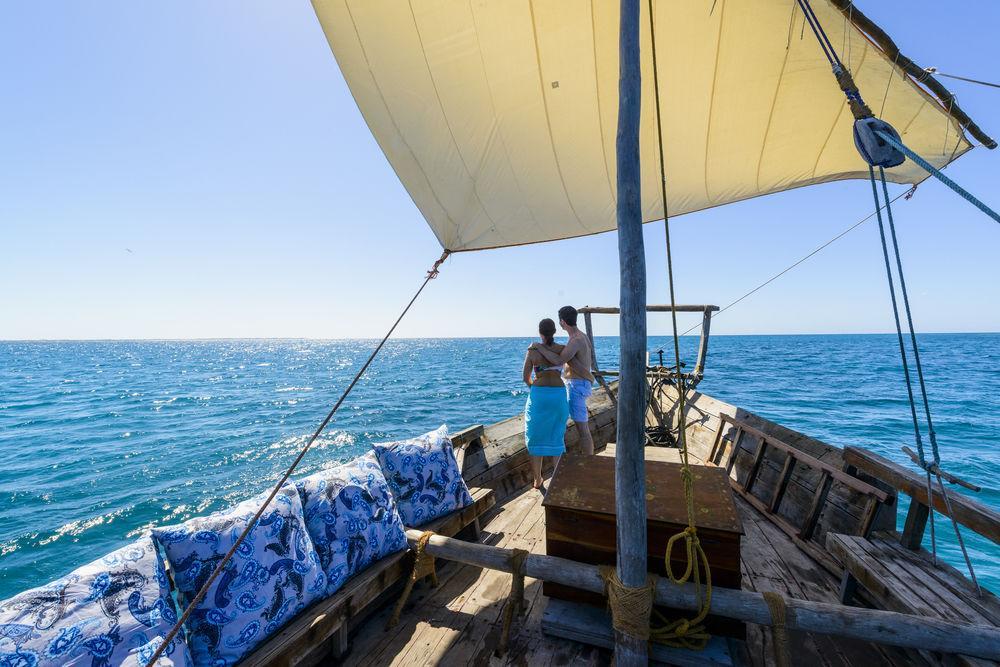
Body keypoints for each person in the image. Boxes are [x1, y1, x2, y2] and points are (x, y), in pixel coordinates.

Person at [529, 305, 595, 455]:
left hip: (577, 386)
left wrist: (539, 347)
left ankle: (589, 464)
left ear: (562, 322)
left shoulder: (576, 340)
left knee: (582, 429)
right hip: (577, 384)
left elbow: (559, 359)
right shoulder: (581, 336)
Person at [523, 318, 570, 490]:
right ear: (554, 332)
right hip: (558, 395)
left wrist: (535, 389)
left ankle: (537, 480)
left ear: (540, 333)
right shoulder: (562, 349)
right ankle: (557, 479)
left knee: (535, 437)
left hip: (540, 396)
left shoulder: (533, 350)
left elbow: (525, 377)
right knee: (556, 436)